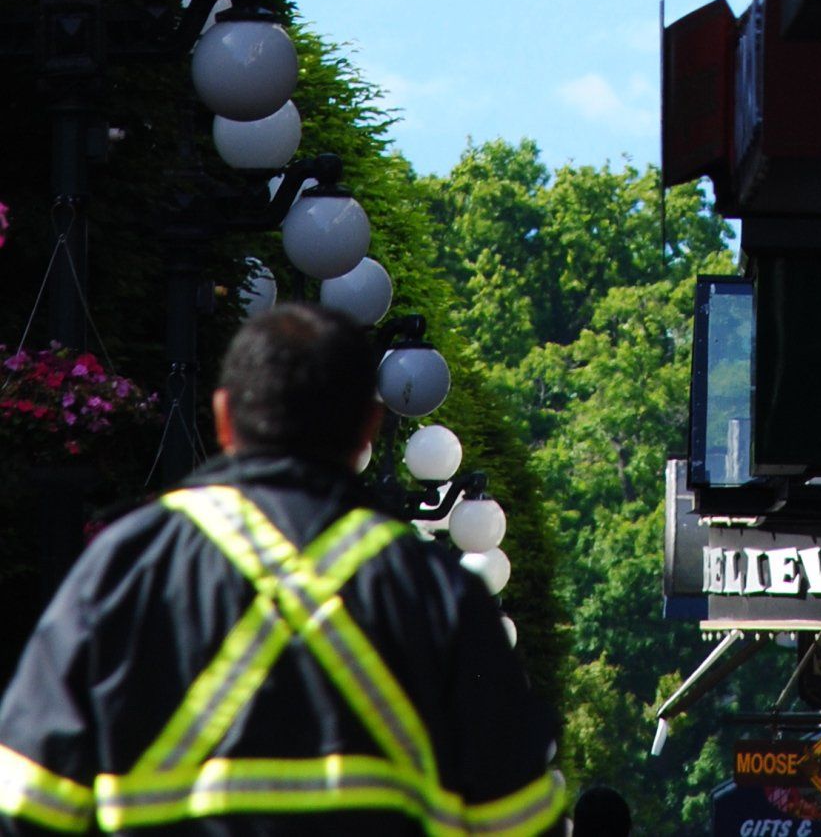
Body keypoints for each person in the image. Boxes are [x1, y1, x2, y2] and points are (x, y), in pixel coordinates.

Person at [0, 302, 565, 837]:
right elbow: (518, 818)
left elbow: (24, 799)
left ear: (223, 416)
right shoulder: (438, 594)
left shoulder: (125, 565)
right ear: (369, 427)